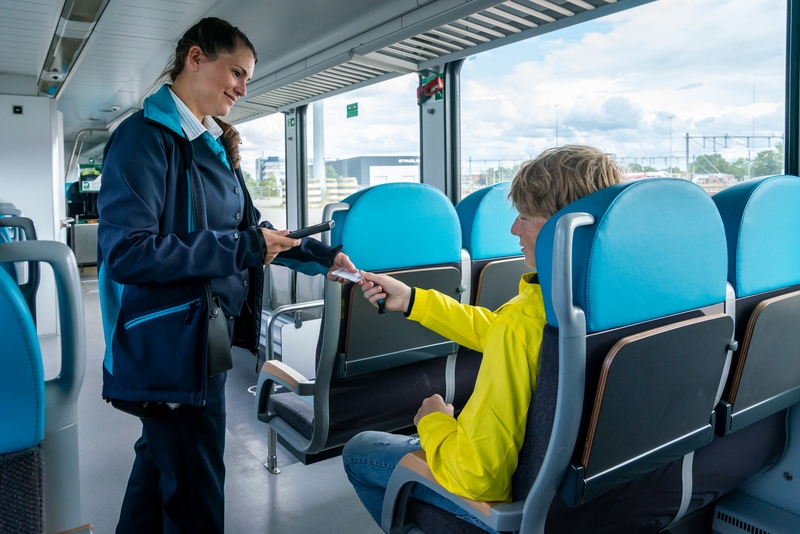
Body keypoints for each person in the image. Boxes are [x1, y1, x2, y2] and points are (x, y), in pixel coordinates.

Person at [97, 18, 356, 534]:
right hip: (172, 342)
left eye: (248, 78)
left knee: (159, 466)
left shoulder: (214, 145)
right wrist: (246, 246)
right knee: (196, 495)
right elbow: (127, 252)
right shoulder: (143, 140)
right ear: (196, 58)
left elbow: (251, 232)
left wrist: (323, 258)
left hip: (203, 336)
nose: (241, 87)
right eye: (235, 72)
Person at [342, 145, 624, 532]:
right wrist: (412, 300)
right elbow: (500, 331)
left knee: (360, 451)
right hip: (586, 507)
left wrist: (434, 422)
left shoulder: (527, 321)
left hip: (501, 512)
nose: (514, 230)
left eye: (525, 217)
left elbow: (477, 476)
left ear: (563, 227)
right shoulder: (606, 297)